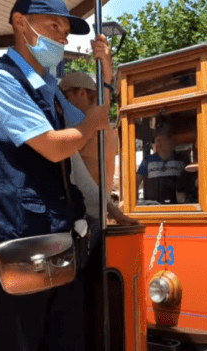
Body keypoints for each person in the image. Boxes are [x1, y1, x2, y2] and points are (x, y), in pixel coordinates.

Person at [0, 0, 111, 349]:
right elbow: (55, 146)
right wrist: (92, 122)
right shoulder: (0, 79)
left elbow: (98, 137)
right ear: (21, 23)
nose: (62, 38)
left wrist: (106, 76)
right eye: (53, 27)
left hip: (58, 243)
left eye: (65, 31)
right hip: (20, 247)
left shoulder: (50, 89)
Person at [59, 71, 139, 349]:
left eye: (65, 96)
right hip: (97, 212)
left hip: (86, 218)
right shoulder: (107, 127)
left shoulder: (82, 124)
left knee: (80, 300)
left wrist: (109, 209)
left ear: (81, 93)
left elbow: (81, 176)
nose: (61, 103)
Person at [136, 124, 186, 204]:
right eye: (157, 141)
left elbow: (191, 184)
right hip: (153, 210)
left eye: (162, 140)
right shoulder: (148, 161)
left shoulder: (182, 159)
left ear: (170, 141)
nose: (159, 144)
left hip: (177, 209)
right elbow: (135, 183)